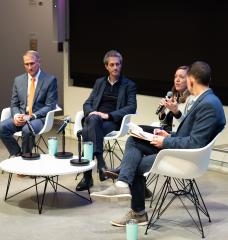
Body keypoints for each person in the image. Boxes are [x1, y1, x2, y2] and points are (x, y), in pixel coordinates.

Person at [90, 61, 226, 227]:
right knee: (135, 138)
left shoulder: (208, 104)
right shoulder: (205, 100)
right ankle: (122, 183)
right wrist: (169, 134)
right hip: (178, 148)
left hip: (185, 158)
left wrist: (165, 141)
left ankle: (136, 208)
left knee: (136, 165)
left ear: (190, 80)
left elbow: (195, 143)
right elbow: (191, 135)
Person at [75, 50, 137, 191]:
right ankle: (101, 163)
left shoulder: (129, 85)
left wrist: (107, 116)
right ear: (106, 67)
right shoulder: (99, 82)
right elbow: (87, 103)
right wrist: (92, 112)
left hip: (112, 121)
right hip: (95, 119)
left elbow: (132, 107)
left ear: (121, 65)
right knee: (93, 121)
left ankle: (87, 178)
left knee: (86, 132)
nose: (115, 67)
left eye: (118, 64)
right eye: (112, 65)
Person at [0, 50, 58, 157]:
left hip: (38, 118)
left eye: (32, 63)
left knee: (27, 130)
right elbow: (14, 103)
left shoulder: (50, 80)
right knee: (2, 127)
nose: (29, 67)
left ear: (39, 62)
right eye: (26, 64)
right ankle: (18, 155)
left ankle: (26, 157)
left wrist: (32, 116)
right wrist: (17, 116)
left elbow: (50, 105)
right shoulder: (18, 80)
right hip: (22, 117)